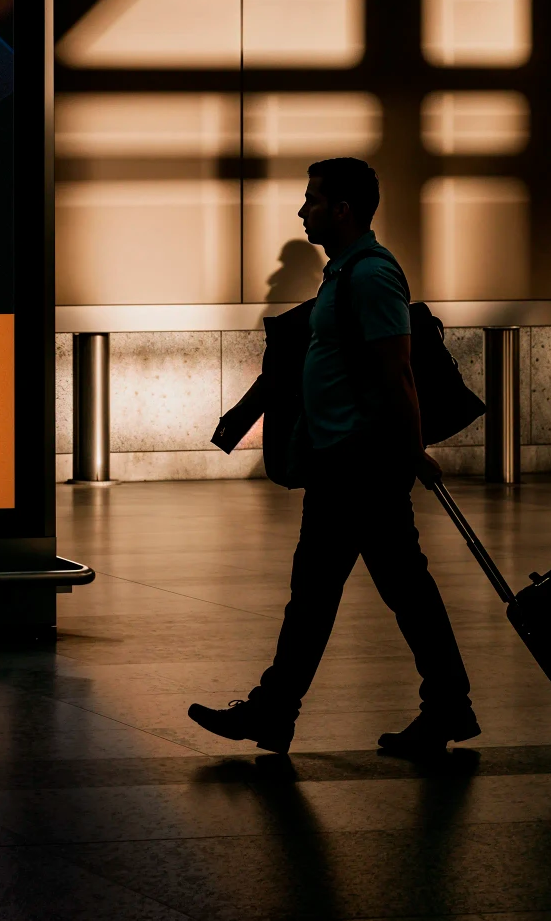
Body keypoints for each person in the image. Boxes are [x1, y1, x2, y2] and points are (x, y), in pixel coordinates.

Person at [188, 158, 475, 756]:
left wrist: (412, 451)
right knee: (362, 591)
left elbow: (397, 372)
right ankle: (436, 704)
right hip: (343, 464)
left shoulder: (370, 277)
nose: (302, 210)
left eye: (312, 199)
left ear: (342, 209)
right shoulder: (344, 274)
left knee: (354, 592)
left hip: (362, 467)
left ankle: (281, 711)